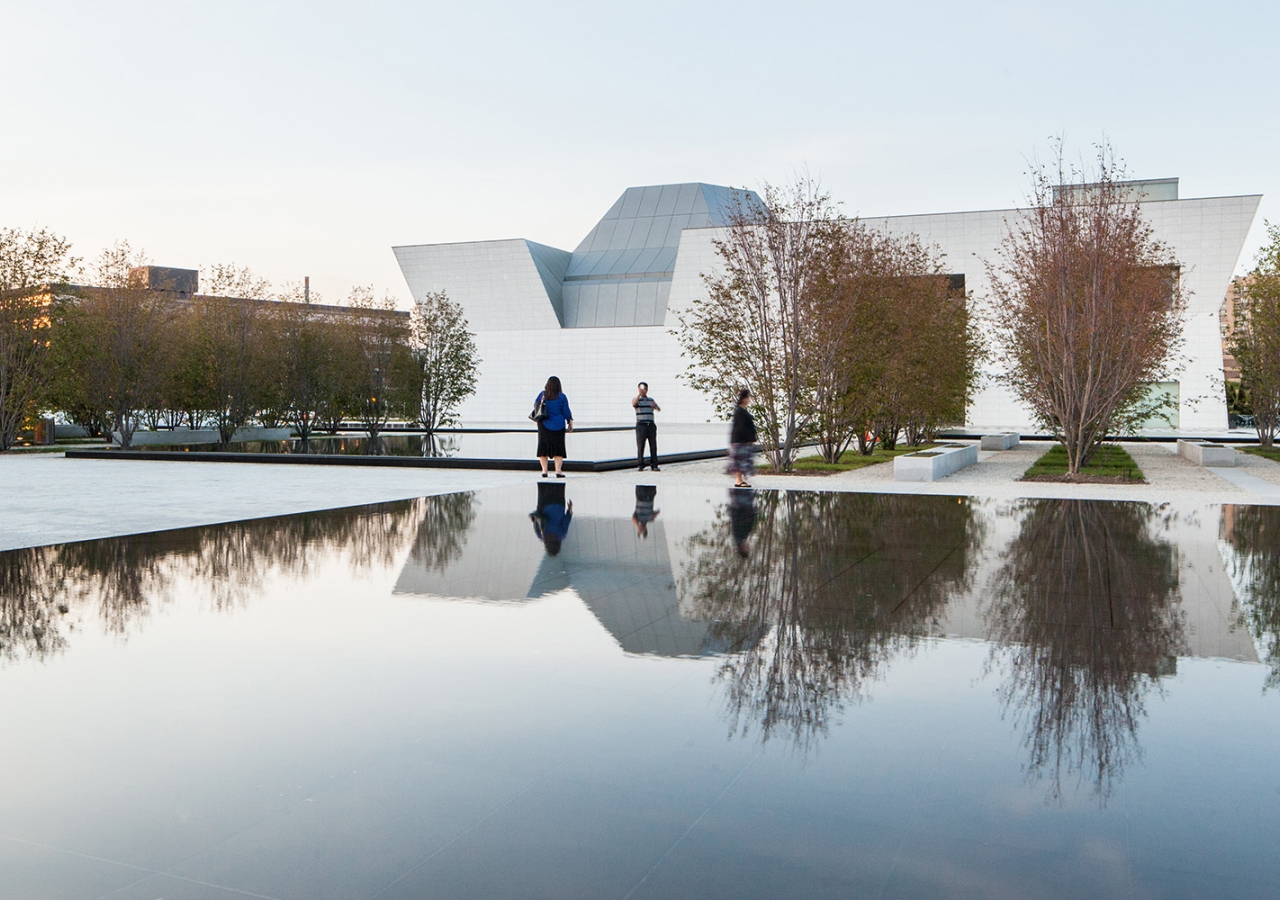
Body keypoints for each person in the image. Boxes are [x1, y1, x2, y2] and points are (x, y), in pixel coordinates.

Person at [534, 375, 573, 478]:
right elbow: (566, 411)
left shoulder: (542, 395)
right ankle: (558, 471)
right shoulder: (562, 397)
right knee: (558, 449)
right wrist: (570, 421)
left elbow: (536, 406)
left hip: (544, 425)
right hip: (559, 425)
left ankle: (544, 471)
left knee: (543, 449)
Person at [530, 481, 573, 555]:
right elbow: (535, 520)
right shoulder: (541, 536)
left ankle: (557, 471)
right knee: (543, 484)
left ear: (558, 546)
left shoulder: (561, 535)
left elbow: (566, 521)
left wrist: (569, 509)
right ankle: (545, 471)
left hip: (558, 505)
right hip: (544, 505)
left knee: (559, 485)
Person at [727, 388, 758, 488]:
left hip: (741, 440)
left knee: (742, 460)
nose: (749, 400)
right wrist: (747, 438)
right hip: (740, 441)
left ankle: (740, 479)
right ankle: (738, 480)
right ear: (744, 398)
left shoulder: (741, 411)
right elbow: (741, 427)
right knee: (740, 460)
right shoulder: (739, 411)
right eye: (748, 398)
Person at [632, 382, 661, 471]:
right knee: (640, 445)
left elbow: (658, 409)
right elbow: (634, 404)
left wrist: (655, 406)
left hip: (650, 424)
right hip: (641, 425)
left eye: (644, 389)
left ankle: (654, 464)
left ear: (647, 389)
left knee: (653, 445)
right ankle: (640, 464)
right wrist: (639, 395)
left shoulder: (650, 400)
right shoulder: (637, 400)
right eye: (641, 389)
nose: (643, 391)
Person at [727, 486, 757, 558]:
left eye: (747, 549)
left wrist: (747, 511)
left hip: (741, 506)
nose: (748, 547)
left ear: (742, 549)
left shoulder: (739, 535)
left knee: (742, 484)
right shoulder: (742, 537)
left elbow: (739, 520)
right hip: (744, 506)